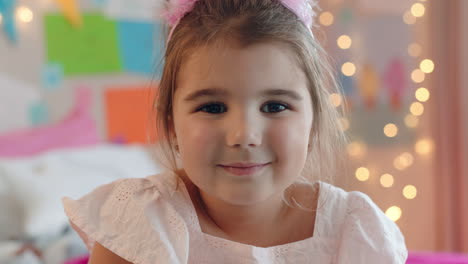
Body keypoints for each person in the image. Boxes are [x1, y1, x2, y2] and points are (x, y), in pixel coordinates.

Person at [62, 0, 408, 263]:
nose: (244, 135)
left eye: (274, 106)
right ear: (170, 123)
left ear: (314, 120)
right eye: (212, 108)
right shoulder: (139, 224)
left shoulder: (354, 230)